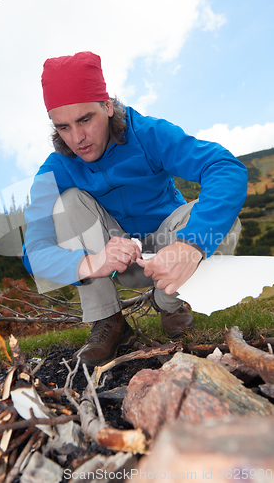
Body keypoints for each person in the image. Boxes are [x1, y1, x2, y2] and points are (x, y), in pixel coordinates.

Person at [22, 51, 248, 367]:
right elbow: (33, 249)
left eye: (86, 119)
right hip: (119, 259)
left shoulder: (148, 133)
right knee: (67, 202)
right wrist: (90, 263)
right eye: (63, 127)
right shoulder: (54, 169)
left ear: (107, 106)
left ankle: (170, 303)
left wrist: (190, 244)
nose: (77, 138)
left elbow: (226, 168)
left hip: (171, 246)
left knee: (224, 221)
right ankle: (108, 321)